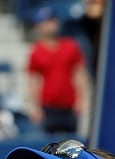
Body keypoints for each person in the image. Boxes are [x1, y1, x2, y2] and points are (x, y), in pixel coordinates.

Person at [26, 6, 90, 135]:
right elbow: (33, 80)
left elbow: (79, 73)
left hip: (69, 103)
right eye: (47, 22)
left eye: (52, 21)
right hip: (48, 105)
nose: (51, 25)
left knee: (72, 143)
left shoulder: (70, 46)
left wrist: (81, 99)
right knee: (50, 145)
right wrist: (35, 107)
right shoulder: (36, 51)